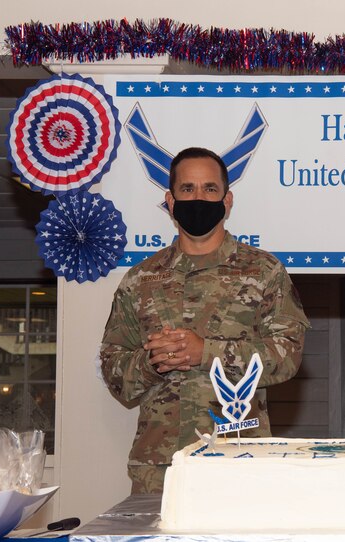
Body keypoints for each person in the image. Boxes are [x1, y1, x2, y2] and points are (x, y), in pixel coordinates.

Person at [100, 147, 309, 494]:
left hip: (239, 463)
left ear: (227, 201)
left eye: (210, 189)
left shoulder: (265, 272)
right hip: (159, 470)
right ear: (170, 200)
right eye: (188, 189)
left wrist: (206, 352)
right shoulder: (140, 280)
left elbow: (287, 356)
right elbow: (112, 369)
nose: (199, 198)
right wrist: (153, 361)